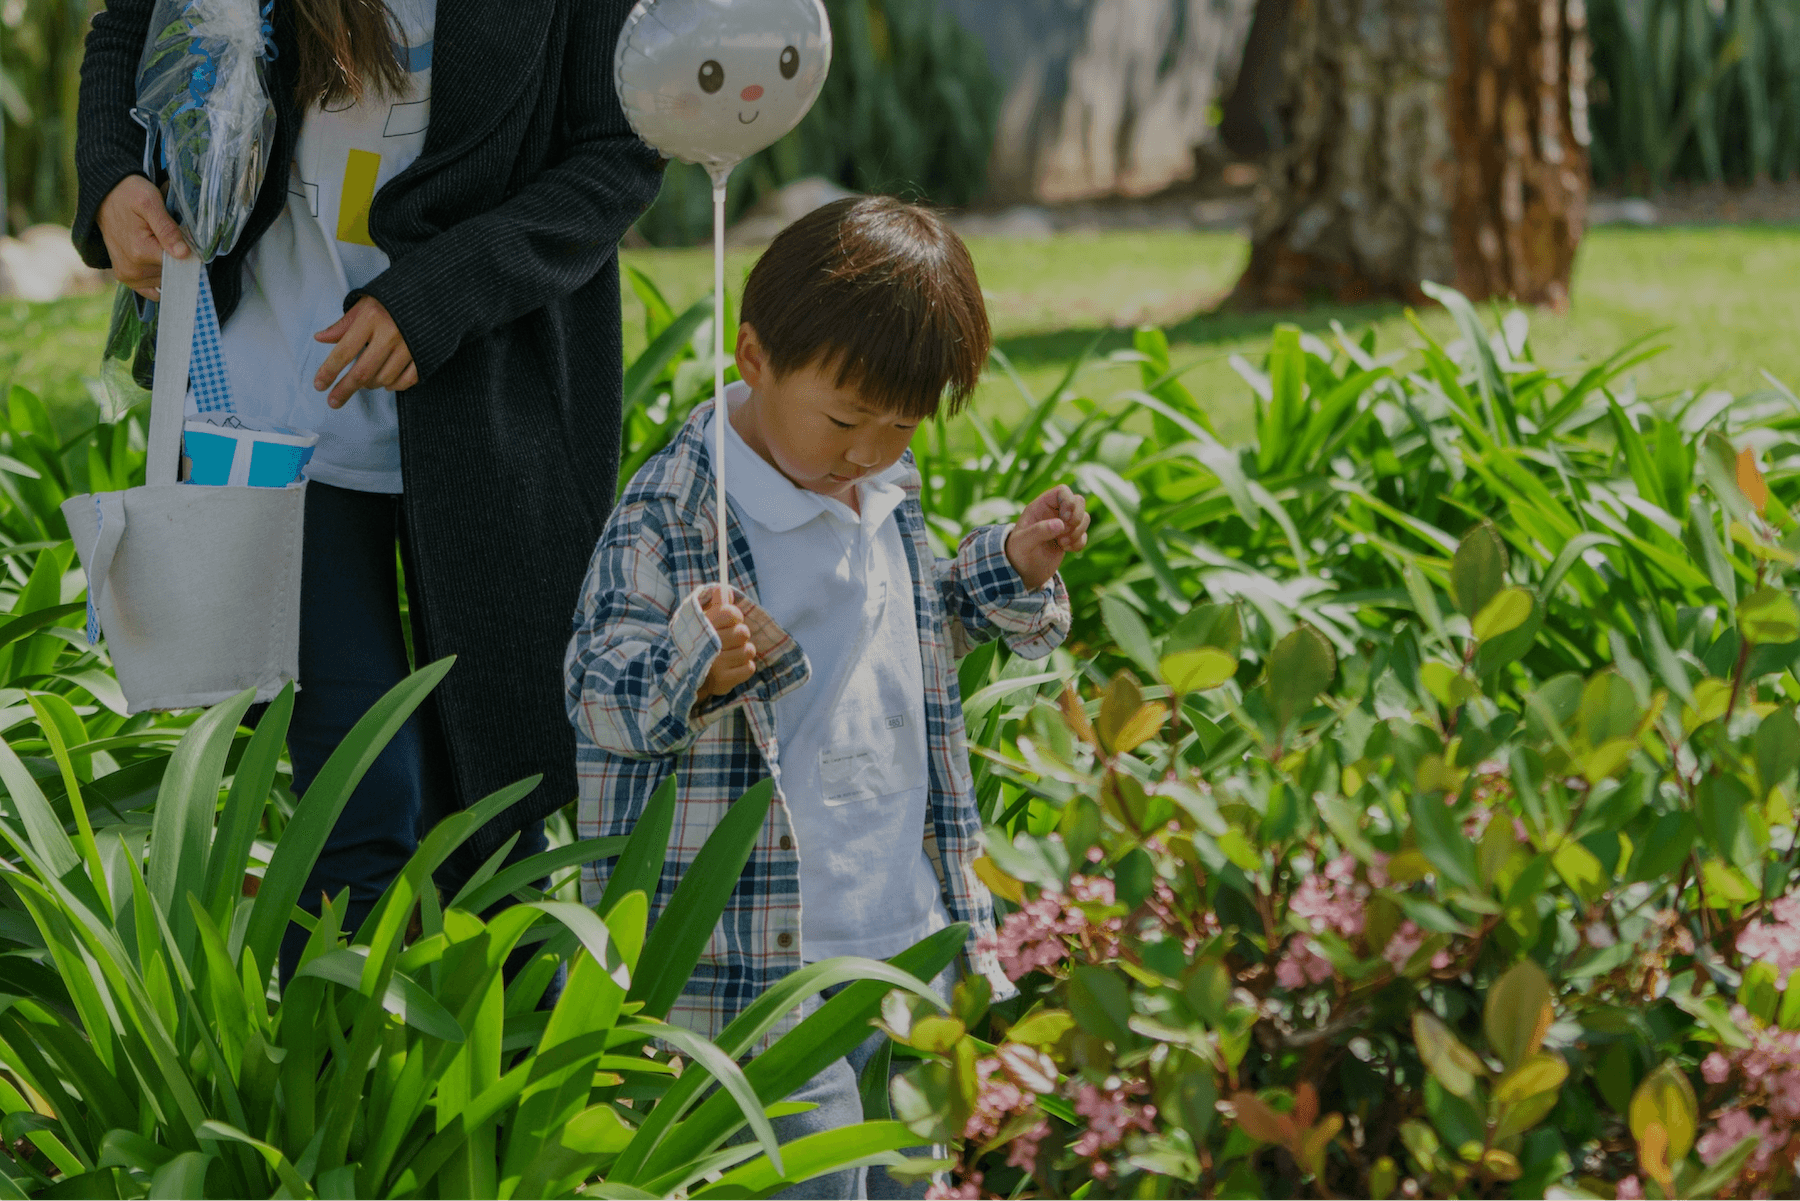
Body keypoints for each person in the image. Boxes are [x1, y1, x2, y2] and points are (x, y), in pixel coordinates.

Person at [74, 0, 665, 983]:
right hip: (269, 420)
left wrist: (438, 297)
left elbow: (617, 154)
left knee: (495, 828)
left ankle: (505, 1114)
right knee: (360, 806)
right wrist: (113, 178)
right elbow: (127, 27)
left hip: (490, 418)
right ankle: (336, 1115)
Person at [566, 196, 1091, 1199]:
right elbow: (596, 690)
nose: (868, 450)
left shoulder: (884, 488)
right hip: (759, 966)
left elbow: (910, 632)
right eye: (846, 419)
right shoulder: (679, 512)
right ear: (753, 356)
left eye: (901, 424)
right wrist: (698, 662)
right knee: (804, 1182)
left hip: (901, 929)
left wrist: (1008, 568)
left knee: (910, 1174)